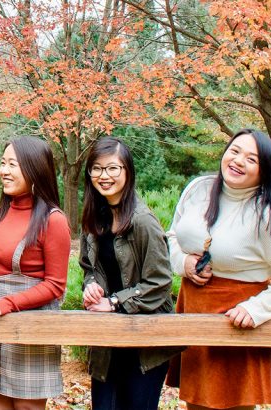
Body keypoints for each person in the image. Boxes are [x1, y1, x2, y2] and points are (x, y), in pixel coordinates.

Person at [166, 129, 271, 409]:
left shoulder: (268, 215)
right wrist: (183, 263)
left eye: (251, 159)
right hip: (194, 305)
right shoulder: (198, 189)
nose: (238, 160)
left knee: (234, 404)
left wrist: (256, 309)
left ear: (264, 170)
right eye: (235, 151)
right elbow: (173, 237)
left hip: (236, 317)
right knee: (195, 403)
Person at [78, 137, 179, 410]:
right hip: (108, 340)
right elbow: (89, 268)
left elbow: (160, 282)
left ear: (127, 171)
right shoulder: (94, 218)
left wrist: (113, 301)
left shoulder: (143, 221)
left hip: (145, 343)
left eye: (113, 168)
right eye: (96, 169)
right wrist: (92, 286)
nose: (104, 176)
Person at [0, 136, 71, 410]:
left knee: (27, 406)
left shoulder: (53, 220)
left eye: (13, 164)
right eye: (3, 163)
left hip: (30, 325)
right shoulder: (0, 213)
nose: (4, 170)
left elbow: (55, 286)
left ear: (35, 168)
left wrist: (5, 304)